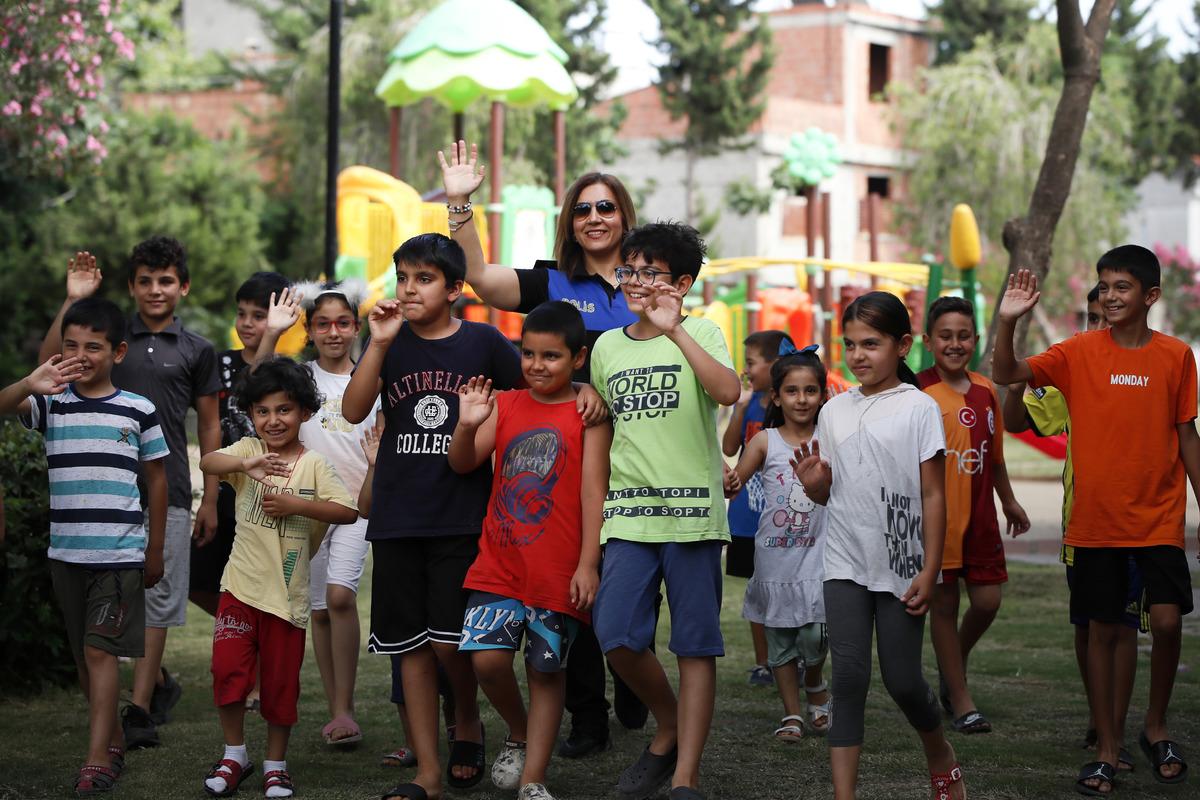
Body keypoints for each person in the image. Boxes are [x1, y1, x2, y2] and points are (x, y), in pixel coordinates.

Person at [439, 140, 643, 756]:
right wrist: (459, 205)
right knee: (567, 590)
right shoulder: (552, 281)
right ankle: (587, 717)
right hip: (566, 457)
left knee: (627, 585)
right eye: (582, 209)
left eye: (605, 207)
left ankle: (633, 668)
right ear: (569, 223)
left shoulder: (647, 285)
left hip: (640, 458)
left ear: (624, 217)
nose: (594, 218)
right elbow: (480, 279)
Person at [992, 248, 1198, 795]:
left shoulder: (1177, 356)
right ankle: (1107, 747)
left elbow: (1187, 435)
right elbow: (1006, 373)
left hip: (1159, 519)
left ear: (1150, 296)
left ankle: (1156, 725)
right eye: (1104, 286)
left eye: (1121, 287)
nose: (1109, 296)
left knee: (1168, 622)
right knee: (1104, 631)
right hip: (1095, 522)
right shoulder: (1077, 351)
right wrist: (1008, 320)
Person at [342, 232, 523, 800]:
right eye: (403, 278)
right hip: (397, 515)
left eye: (424, 278)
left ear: (455, 288)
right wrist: (377, 344)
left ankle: (466, 718)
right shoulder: (388, 341)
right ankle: (427, 771)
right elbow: (353, 410)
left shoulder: (485, 342)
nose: (409, 289)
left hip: (462, 514)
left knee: (452, 643)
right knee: (410, 648)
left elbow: (531, 396)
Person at [39, 241, 222, 747]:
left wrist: (210, 496)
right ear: (131, 286)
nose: (155, 290)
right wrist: (73, 299)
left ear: (183, 286)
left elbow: (209, 424)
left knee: (156, 598)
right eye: (145, 280)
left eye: (166, 280)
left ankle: (138, 708)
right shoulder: (106, 336)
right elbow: (47, 368)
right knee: (114, 617)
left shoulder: (198, 349)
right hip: (99, 494)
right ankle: (150, 688)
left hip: (170, 487)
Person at [589, 222, 741, 800]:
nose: (634, 281)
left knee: (694, 646)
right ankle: (672, 724)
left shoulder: (700, 331)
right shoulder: (607, 347)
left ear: (681, 284)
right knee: (616, 634)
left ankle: (684, 775)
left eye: (649, 272)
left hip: (693, 519)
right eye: (628, 270)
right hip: (628, 517)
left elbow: (727, 392)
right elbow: (605, 423)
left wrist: (675, 331)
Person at [792, 291, 964, 800]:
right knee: (848, 679)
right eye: (850, 344)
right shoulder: (833, 411)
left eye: (871, 343)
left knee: (903, 680)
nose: (858, 355)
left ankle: (939, 752)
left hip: (902, 563)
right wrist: (813, 485)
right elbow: (829, 493)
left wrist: (930, 570)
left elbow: (933, 495)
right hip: (844, 561)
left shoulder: (920, 407)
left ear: (902, 345)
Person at [1, 298, 168, 796]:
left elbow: (157, 481)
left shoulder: (138, 409)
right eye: (71, 345)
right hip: (66, 554)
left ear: (118, 352)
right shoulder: (52, 404)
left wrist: (154, 551)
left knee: (100, 652)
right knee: (83, 658)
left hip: (119, 556)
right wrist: (28, 383)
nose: (80, 355)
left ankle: (96, 759)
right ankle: (112, 740)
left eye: (93, 347)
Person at [448, 301, 612, 800]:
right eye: (528, 353)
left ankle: (533, 779)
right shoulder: (507, 404)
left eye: (551, 356)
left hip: (558, 570)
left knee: (545, 670)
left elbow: (594, 493)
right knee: (486, 661)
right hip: (499, 563)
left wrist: (587, 564)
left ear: (578, 358)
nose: (537, 365)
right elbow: (462, 463)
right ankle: (518, 732)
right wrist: (466, 424)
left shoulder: (590, 415)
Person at [198, 357, 358, 799]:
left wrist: (297, 506)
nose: (273, 420)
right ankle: (234, 755)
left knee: (281, 686)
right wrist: (246, 465)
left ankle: (275, 764)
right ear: (251, 415)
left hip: (287, 599)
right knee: (227, 672)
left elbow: (347, 511)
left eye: (284, 409)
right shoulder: (248, 451)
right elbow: (209, 461)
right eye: (262, 411)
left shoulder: (315, 465)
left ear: (304, 412)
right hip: (239, 589)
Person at [1001, 285, 1144, 771]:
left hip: (1136, 524)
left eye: (1106, 315)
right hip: (1081, 524)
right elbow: (1015, 421)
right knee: (1087, 626)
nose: (1098, 326)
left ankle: (1116, 732)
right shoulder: (1074, 366)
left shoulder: (1149, 367)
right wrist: (1019, 381)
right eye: (1091, 317)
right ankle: (1099, 720)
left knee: (1123, 626)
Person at [256, 280, 381, 747]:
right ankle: (338, 712)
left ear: (356, 327)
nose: (333, 332)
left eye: (343, 323)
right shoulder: (300, 377)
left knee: (340, 597)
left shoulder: (372, 376)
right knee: (321, 610)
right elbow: (258, 384)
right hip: (305, 506)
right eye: (323, 324)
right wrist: (272, 332)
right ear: (309, 329)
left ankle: (345, 708)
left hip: (354, 505)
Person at [916, 296, 1030, 735]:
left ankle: (954, 665)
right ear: (928, 341)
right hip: (938, 522)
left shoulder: (985, 390)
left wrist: (1009, 500)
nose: (955, 343)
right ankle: (962, 701)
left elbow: (993, 456)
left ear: (976, 340)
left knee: (987, 602)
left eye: (963, 336)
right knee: (944, 606)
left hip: (980, 518)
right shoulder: (917, 392)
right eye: (945, 336)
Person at [725, 343, 831, 742]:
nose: (801, 399)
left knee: (816, 635)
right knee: (781, 643)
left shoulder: (830, 438)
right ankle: (792, 714)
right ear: (775, 397)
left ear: (822, 395)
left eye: (810, 390)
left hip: (819, 558)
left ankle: (815, 681)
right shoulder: (765, 441)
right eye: (792, 391)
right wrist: (728, 479)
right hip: (774, 560)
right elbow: (736, 480)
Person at [355, 425, 458, 772]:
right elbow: (365, 507)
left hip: (442, 542)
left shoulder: (438, 445)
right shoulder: (388, 446)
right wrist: (374, 465)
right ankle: (414, 741)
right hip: (400, 548)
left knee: (449, 647)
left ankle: (458, 723)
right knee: (404, 653)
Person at [193, 272, 293, 621]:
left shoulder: (286, 370)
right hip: (223, 488)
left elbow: (253, 388)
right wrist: (208, 500)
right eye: (241, 313)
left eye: (259, 315)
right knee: (197, 577)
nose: (247, 323)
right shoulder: (218, 363)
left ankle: (248, 633)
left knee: (257, 585)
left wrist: (273, 335)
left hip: (265, 493)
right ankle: (237, 625)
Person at [722, 330, 794, 687]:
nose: (746, 370)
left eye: (752, 363)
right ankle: (764, 663)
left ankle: (792, 659)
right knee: (757, 589)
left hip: (785, 516)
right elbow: (729, 446)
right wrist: (740, 407)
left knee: (788, 587)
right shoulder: (749, 404)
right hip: (748, 517)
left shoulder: (791, 405)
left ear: (775, 364)